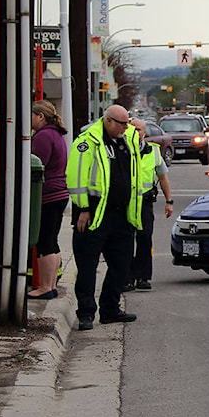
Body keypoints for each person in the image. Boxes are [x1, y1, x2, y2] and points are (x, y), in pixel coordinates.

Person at [67, 104, 143, 330]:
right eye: (121, 124)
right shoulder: (87, 142)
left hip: (122, 216)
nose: (126, 127)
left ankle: (110, 310)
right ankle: (86, 313)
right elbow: (76, 178)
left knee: (122, 265)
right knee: (88, 267)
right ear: (108, 120)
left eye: (128, 123)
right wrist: (83, 209)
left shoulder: (127, 139)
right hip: (93, 215)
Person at [124, 119, 174, 292]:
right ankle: (127, 278)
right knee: (126, 240)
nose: (135, 132)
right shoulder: (122, 150)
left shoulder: (152, 151)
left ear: (144, 133)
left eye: (138, 129)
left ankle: (143, 276)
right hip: (125, 202)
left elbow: (162, 177)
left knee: (145, 238)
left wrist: (169, 201)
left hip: (145, 202)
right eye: (131, 129)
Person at [27, 101, 70, 300]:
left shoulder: (43, 136)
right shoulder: (57, 134)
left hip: (47, 194)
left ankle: (44, 287)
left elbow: (35, 165)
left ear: (40, 116)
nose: (30, 120)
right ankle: (50, 285)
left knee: (44, 241)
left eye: (31, 115)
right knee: (52, 241)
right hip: (59, 193)